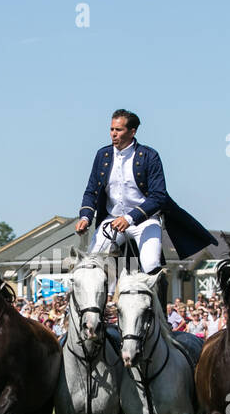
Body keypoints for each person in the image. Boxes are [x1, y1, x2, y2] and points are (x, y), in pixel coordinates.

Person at [74, 109, 216, 306]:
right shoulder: (103, 155)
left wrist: (130, 218)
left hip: (145, 220)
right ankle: (93, 315)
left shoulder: (149, 156)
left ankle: (158, 315)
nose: (113, 134)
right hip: (112, 220)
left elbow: (159, 197)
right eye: (111, 129)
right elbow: (91, 191)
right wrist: (85, 218)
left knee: (150, 264)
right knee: (91, 264)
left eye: (118, 129)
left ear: (132, 132)